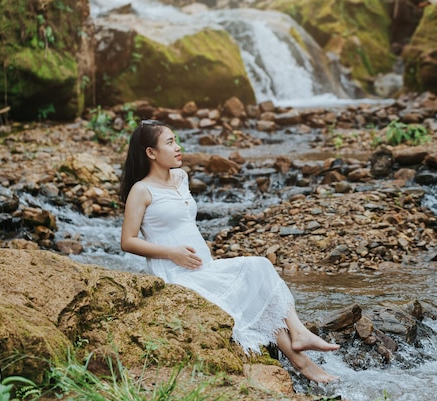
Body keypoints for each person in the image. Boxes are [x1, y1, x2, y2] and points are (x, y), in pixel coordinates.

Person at [119, 120, 339, 383]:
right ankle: (303, 361)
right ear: (150, 153)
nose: (178, 147)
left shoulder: (181, 177)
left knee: (258, 270)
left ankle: (300, 339)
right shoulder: (141, 190)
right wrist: (171, 253)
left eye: (176, 140)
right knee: (250, 291)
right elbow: (127, 241)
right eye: (169, 142)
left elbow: (185, 223)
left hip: (204, 265)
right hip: (176, 271)